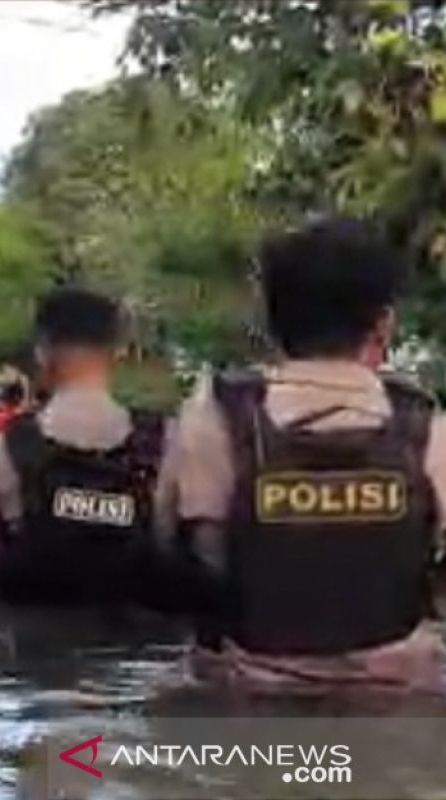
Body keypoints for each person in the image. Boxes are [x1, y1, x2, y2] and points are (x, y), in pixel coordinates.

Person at [156, 217, 446, 692]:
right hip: (401, 709)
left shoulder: (213, 416)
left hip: (247, 711)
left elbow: (171, 553)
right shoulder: (428, 430)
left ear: (271, 322)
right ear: (384, 323)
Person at [0, 288, 165, 605]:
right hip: (134, 638)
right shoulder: (164, 442)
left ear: (42, 353)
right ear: (118, 352)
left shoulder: (4, 448)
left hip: (28, 641)